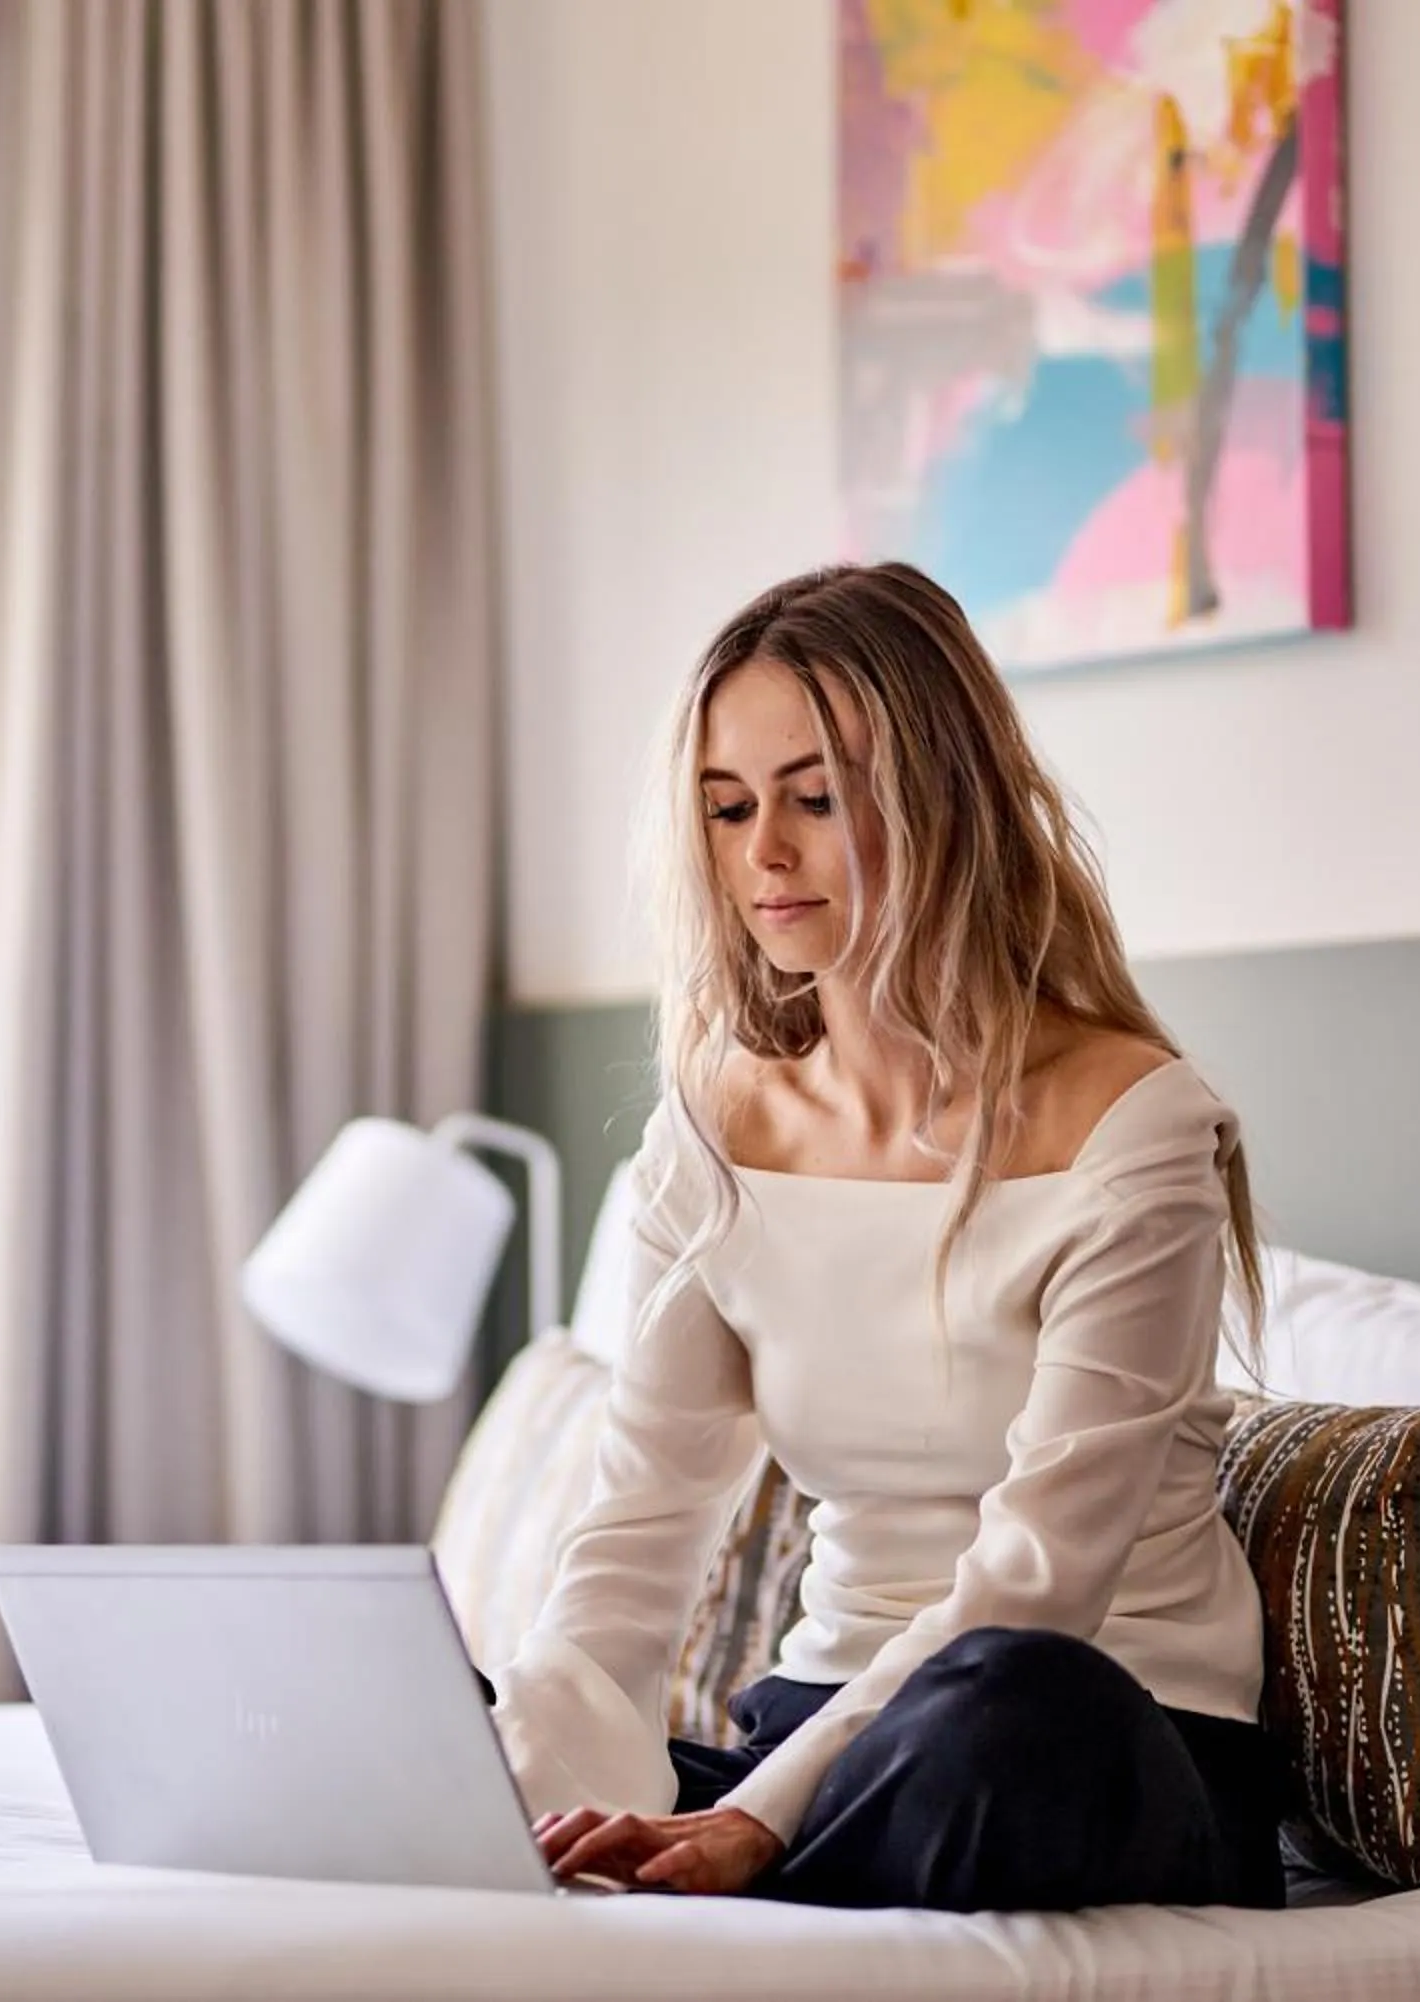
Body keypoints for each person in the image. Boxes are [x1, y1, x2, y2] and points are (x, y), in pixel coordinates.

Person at [488, 561, 1286, 1914]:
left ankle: (761, 1866)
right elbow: (638, 1533)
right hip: (821, 1728)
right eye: (728, 807)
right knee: (446, 1716)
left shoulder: (1130, 1125)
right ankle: (722, 1857)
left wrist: (756, 1819)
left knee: (1007, 1705)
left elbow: (1042, 1578)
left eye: (814, 798)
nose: (764, 853)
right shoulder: (715, 1132)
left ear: (943, 802)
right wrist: (524, 1777)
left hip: (1089, 1727)